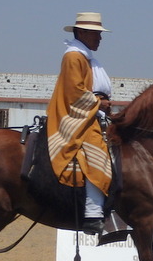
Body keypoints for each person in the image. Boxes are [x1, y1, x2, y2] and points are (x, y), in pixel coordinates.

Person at [46, 12, 112, 235]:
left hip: (91, 112)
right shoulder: (74, 57)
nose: (100, 39)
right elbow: (74, 92)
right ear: (82, 32)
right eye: (96, 34)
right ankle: (93, 213)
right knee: (97, 151)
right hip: (76, 116)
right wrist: (99, 103)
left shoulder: (85, 56)